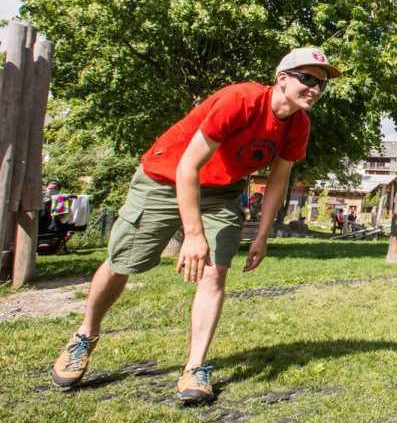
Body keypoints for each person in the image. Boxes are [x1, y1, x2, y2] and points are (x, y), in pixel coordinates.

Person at [50, 48, 339, 403]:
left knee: (216, 272)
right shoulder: (241, 100)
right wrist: (193, 234)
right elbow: (188, 166)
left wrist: (262, 235)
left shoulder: (299, 125)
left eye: (321, 84)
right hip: (165, 179)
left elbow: (279, 180)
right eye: (307, 78)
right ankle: (85, 336)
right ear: (282, 78)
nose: (315, 88)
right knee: (124, 262)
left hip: (222, 191)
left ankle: (195, 367)